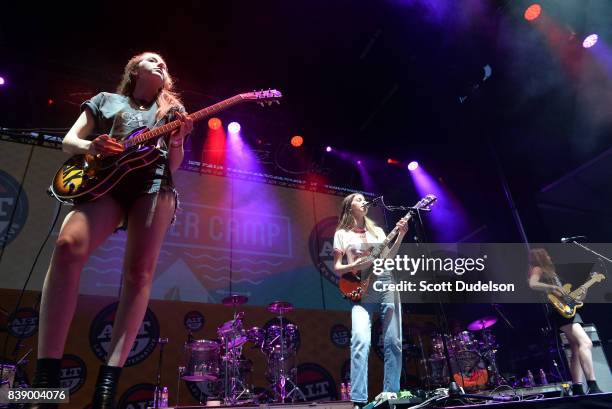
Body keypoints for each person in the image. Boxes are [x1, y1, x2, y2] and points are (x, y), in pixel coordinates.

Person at [31, 52, 193, 408]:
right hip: (105, 182)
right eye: (153, 59)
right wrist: (93, 145)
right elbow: (69, 141)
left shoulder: (171, 111)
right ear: (134, 69)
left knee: (139, 273)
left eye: (166, 62)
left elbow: (175, 166)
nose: (161, 63)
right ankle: (46, 379)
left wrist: (178, 140)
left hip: (153, 186)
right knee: (67, 247)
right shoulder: (106, 100)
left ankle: (108, 383)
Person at [332, 193, 408, 407]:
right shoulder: (342, 234)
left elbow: (388, 258)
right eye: (358, 199)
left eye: (364, 198)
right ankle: (358, 399)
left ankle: (391, 393)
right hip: (361, 286)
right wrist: (360, 265)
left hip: (385, 281)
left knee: (393, 341)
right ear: (349, 207)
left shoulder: (379, 232)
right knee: (360, 340)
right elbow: (337, 267)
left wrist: (400, 236)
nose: (363, 201)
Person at [528, 248, 603, 395]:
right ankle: (593, 386)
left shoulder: (553, 273)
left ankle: (577, 387)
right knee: (586, 343)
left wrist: (586, 285)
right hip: (560, 312)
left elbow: (577, 299)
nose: (550, 256)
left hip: (568, 310)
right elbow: (532, 284)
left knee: (575, 349)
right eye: (547, 254)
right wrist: (553, 287)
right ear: (541, 257)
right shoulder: (538, 268)